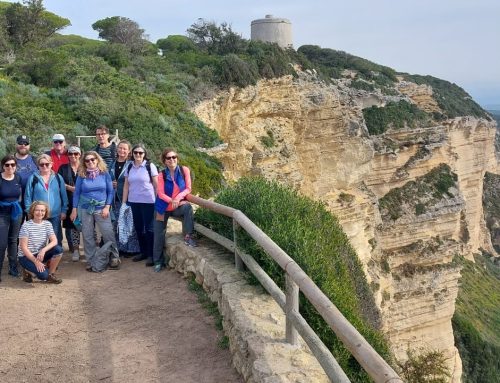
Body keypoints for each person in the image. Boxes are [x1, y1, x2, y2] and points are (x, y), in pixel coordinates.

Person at [70, 151, 119, 270]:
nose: (90, 162)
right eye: (87, 160)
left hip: (102, 208)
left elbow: (110, 191)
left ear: (97, 160)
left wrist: (107, 207)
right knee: (87, 235)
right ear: (84, 163)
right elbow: (76, 193)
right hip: (85, 208)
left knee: (107, 232)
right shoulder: (82, 175)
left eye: (92, 159)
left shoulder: (104, 173)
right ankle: (91, 259)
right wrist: (74, 209)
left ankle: (114, 256)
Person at [153, 148, 196, 273]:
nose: (172, 160)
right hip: (162, 207)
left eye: (174, 157)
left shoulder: (184, 170)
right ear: (164, 161)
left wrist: (177, 198)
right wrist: (172, 201)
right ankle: (158, 261)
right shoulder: (162, 175)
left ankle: (188, 236)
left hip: (176, 206)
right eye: (168, 158)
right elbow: (160, 193)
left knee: (187, 207)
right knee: (159, 234)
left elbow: (188, 188)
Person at [122, 144, 158, 266]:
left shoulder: (149, 166)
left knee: (149, 228)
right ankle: (143, 252)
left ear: (144, 154)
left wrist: (158, 202)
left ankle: (151, 255)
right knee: (138, 228)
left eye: (140, 153)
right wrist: (123, 202)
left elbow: (156, 185)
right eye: (136, 152)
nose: (138, 155)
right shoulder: (129, 167)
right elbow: (126, 186)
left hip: (148, 201)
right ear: (132, 154)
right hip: (133, 201)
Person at [24, 154, 68, 247]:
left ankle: (54, 259)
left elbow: (64, 195)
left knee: (56, 240)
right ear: (38, 165)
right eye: (41, 164)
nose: (44, 166)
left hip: (55, 214)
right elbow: (28, 196)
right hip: (38, 214)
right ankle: (40, 259)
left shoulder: (58, 177)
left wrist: (64, 210)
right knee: (39, 240)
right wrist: (29, 211)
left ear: (51, 164)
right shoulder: (33, 178)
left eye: (47, 164)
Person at [18, 201, 63, 284]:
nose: (40, 213)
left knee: (58, 249)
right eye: (37, 210)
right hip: (26, 256)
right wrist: (36, 262)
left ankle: (51, 274)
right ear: (32, 211)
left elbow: (54, 241)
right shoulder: (26, 226)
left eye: (42, 211)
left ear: (45, 212)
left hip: (39, 254)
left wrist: (43, 250)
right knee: (43, 276)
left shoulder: (47, 224)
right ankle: (27, 270)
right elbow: (23, 248)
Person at [109, 140, 138, 256]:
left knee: (129, 224)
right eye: (120, 148)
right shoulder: (112, 164)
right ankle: (119, 248)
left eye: (125, 149)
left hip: (128, 198)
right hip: (115, 199)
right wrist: (111, 183)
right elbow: (107, 178)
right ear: (117, 149)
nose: (122, 150)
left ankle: (131, 249)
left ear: (129, 151)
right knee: (117, 224)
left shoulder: (132, 165)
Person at [0, 155, 23, 281]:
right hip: (1, 213)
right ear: (3, 166)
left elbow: (19, 195)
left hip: (15, 212)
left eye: (12, 165)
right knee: (2, 243)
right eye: (7, 165)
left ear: (16, 166)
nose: (10, 167)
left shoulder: (18, 178)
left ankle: (13, 267)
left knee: (13, 241)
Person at [58, 146, 82, 262]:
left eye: (76, 154)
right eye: (71, 154)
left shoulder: (85, 167)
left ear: (80, 155)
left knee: (89, 226)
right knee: (73, 227)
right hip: (69, 200)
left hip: (84, 202)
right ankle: (76, 250)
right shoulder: (63, 168)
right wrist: (70, 188)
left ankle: (91, 249)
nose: (73, 156)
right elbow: (59, 182)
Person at [14, 135, 37, 209]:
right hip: (15, 201)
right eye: (20, 143)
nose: (23, 145)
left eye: (26, 143)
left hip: (32, 200)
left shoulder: (35, 160)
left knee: (33, 221)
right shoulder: (9, 161)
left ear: (29, 146)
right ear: (16, 144)